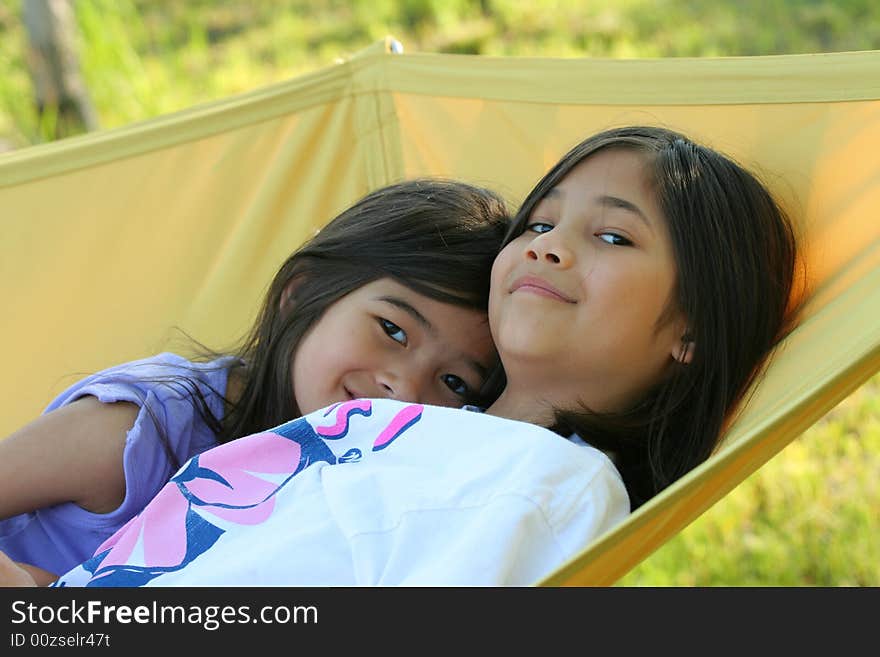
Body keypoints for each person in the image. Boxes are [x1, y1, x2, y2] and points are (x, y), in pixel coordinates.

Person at [4, 125, 800, 587]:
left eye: (613, 236)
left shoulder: (552, 485)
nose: (550, 248)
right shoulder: (390, 432)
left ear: (689, 329)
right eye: (540, 223)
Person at [0, 178, 511, 584]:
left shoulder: (368, 491)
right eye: (392, 329)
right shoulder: (143, 428)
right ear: (302, 294)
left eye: (455, 381)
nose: (404, 387)